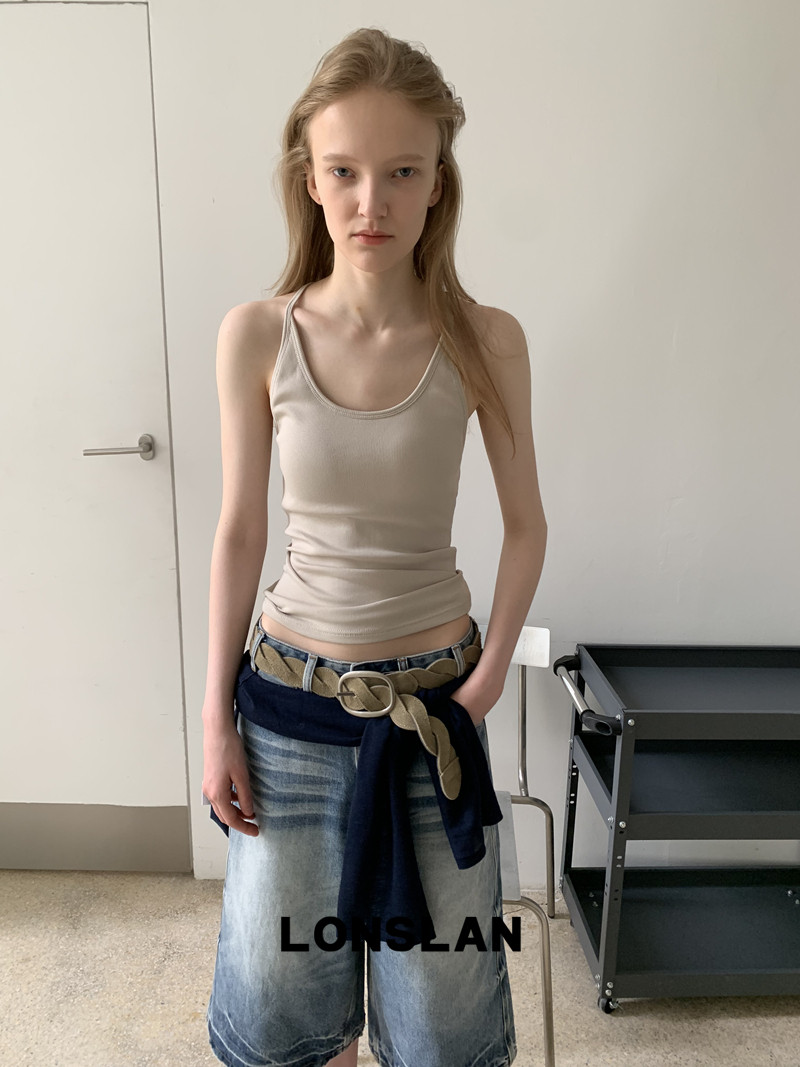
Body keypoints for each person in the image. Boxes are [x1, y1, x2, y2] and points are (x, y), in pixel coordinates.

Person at [202, 25, 547, 1067]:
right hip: (287, 710)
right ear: (308, 178)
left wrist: (482, 685)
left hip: (433, 718)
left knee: (444, 1032)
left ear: (439, 182)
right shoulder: (257, 334)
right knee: (283, 1018)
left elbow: (525, 525)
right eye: (344, 171)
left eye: (402, 171)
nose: (371, 202)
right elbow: (240, 529)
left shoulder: (486, 339)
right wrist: (213, 722)